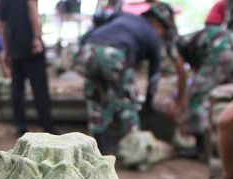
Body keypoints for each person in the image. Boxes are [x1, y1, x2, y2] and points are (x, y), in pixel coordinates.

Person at [76, 3, 183, 153]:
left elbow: (97, 22)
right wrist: (148, 103)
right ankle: (134, 150)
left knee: (96, 96)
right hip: (114, 55)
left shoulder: (123, 16)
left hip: (87, 51)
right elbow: (154, 77)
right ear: (157, 23)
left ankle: (98, 147)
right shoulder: (153, 36)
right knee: (127, 101)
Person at [176, 0, 233, 158]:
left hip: (221, 52)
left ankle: (201, 147)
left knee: (196, 98)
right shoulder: (199, 38)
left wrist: (181, 99)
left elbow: (181, 72)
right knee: (226, 98)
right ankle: (230, 146)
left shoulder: (176, 43)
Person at [0, 0, 56, 136]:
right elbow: (31, 6)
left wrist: (6, 50)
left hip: (14, 46)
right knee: (39, 87)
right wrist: (36, 37)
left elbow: (2, 25)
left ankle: (20, 126)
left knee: (17, 89)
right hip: (30, 45)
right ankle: (46, 124)